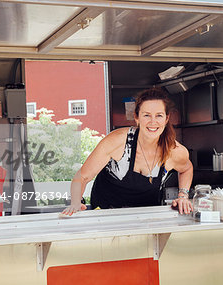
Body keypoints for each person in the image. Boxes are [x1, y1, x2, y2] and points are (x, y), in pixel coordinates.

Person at [62, 88, 193, 216]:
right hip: (105, 214)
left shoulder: (174, 151)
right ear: (136, 117)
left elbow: (186, 168)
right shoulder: (118, 141)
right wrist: (75, 202)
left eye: (159, 115)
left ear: (166, 118)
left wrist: (183, 196)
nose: (153, 122)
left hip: (146, 218)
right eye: (146, 115)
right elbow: (82, 176)